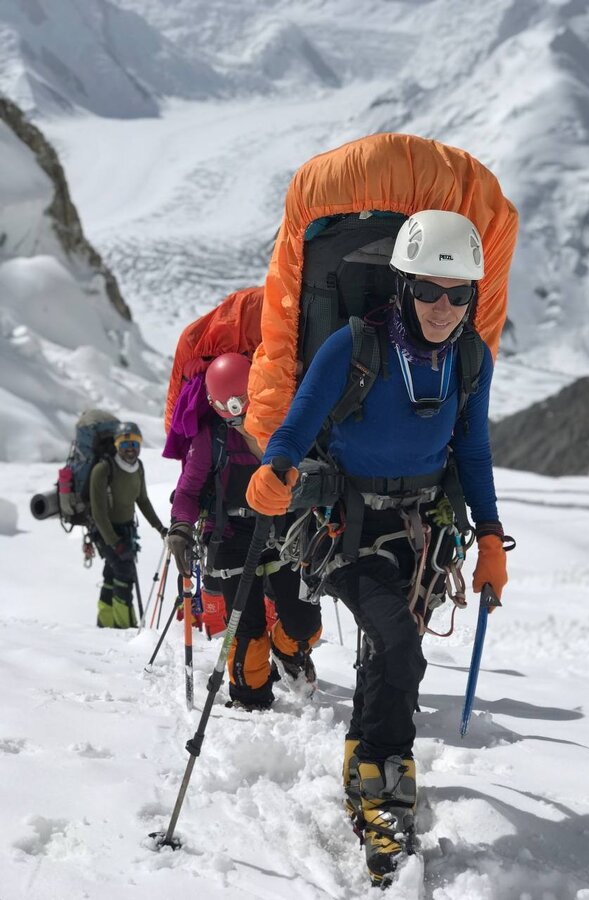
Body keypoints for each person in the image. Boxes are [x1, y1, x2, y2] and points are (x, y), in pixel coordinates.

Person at [245, 210, 510, 883]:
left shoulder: (468, 359)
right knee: (397, 645)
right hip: (346, 527)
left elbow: (471, 449)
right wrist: (273, 472)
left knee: (384, 649)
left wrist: (487, 538)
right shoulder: (353, 345)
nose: (442, 308)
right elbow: (297, 425)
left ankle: (370, 764)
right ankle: (382, 782)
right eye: (426, 291)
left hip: (420, 534)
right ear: (400, 286)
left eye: (456, 295)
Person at [166, 353, 323, 711]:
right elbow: (189, 491)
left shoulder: (284, 426)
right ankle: (251, 701)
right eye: (228, 408)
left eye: (242, 404)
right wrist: (181, 527)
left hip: (283, 536)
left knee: (304, 621)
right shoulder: (212, 440)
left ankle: (289, 652)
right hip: (233, 541)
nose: (238, 416)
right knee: (247, 631)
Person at [90, 421, 167, 628]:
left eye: (134, 444)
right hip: (106, 532)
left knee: (112, 573)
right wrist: (114, 542)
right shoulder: (103, 469)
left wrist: (159, 527)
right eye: (125, 445)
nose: (130, 449)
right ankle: (124, 627)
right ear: (116, 446)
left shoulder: (138, 467)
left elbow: (142, 500)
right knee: (124, 574)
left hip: (126, 531)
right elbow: (99, 513)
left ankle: (105, 623)